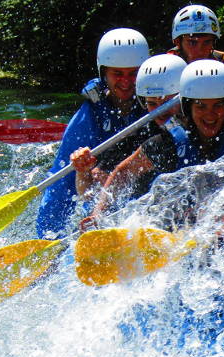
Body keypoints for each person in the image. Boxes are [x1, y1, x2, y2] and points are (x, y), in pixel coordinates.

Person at [89, 55, 224, 219]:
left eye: (217, 106)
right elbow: (123, 172)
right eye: (201, 106)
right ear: (188, 107)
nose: (210, 115)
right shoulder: (166, 143)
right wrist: (98, 213)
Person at [36, 28, 149, 239]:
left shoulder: (155, 102)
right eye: (117, 74)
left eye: (133, 73)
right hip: (99, 178)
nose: (126, 82)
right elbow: (61, 182)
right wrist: (48, 237)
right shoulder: (92, 112)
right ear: (103, 73)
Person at [69, 53, 187, 203]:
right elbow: (89, 194)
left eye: (166, 104)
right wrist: (83, 172)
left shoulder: (211, 120)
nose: (160, 112)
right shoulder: (142, 132)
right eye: (152, 104)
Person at [168, 4, 224, 117]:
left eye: (206, 42)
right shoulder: (167, 66)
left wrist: (223, 118)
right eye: (192, 42)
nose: (200, 51)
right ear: (177, 42)